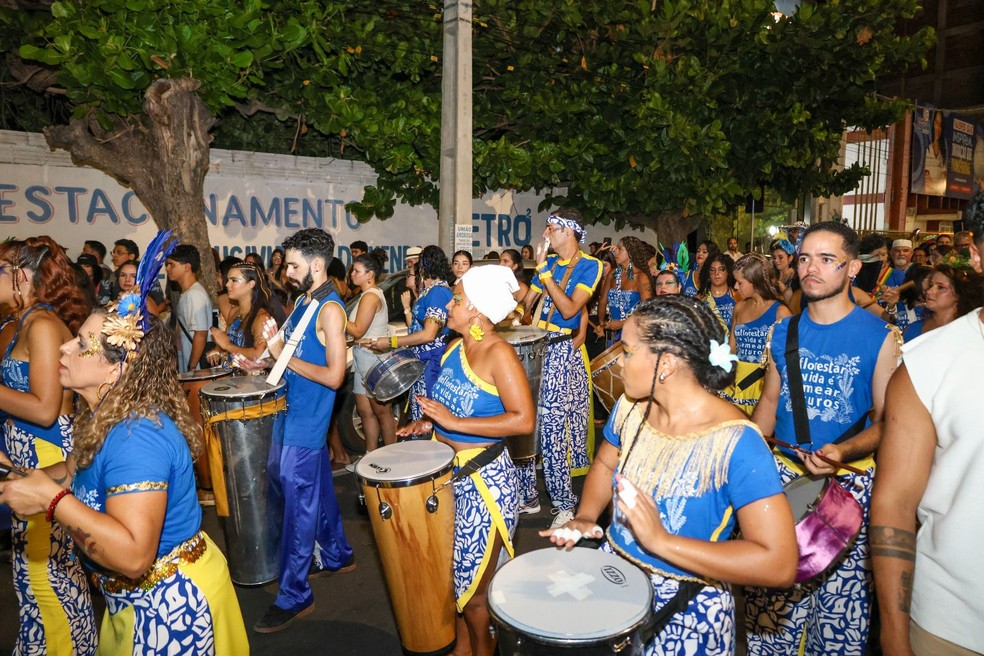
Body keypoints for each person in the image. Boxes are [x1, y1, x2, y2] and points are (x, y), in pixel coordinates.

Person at [0, 233, 249, 653]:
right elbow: (78, 467)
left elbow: (134, 555)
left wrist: (52, 500)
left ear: (117, 369)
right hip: (131, 603)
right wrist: (29, 476)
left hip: (171, 610)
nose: (64, 346)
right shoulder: (102, 415)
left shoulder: (136, 436)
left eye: (81, 343)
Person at [542, 296, 797, 654]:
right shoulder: (630, 408)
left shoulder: (736, 441)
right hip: (615, 584)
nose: (619, 361)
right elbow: (604, 464)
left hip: (686, 611)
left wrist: (661, 542)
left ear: (667, 364)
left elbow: (779, 562)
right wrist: (585, 516)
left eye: (628, 352)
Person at [744, 221, 901, 656]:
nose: (812, 268)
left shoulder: (880, 338)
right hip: (783, 482)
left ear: (851, 269)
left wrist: (844, 450)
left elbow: (888, 423)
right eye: (805, 257)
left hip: (847, 487)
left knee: (839, 626)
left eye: (827, 259)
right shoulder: (784, 331)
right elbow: (769, 405)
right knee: (769, 616)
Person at [398, 265, 534, 656]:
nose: (450, 305)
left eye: (456, 299)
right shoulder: (458, 347)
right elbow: (449, 407)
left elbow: (523, 420)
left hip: (485, 483)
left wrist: (454, 422)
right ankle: (462, 649)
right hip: (451, 477)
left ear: (475, 308)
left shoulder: (499, 353)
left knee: (475, 593)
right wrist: (426, 423)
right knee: (457, 580)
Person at [870, 195, 984, 656]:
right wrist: (895, 634)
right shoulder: (926, 365)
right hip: (950, 624)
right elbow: (895, 504)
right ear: (977, 252)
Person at [251, 228, 355, 633]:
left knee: (297, 509)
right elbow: (286, 352)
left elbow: (333, 376)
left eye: (293, 265)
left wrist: (282, 357)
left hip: (307, 422)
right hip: (288, 413)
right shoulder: (303, 302)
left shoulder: (330, 309)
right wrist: (262, 363)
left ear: (316, 264)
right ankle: (337, 553)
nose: (287, 271)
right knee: (310, 488)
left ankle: (294, 593)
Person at [0, 236, 97, 654]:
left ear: (21, 276)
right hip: (25, 453)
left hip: (48, 454)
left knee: (47, 577)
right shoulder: (17, 322)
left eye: (1, 269)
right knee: (36, 576)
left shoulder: (41, 324)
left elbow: (43, 408)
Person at [520, 209, 603, 527]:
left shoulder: (590, 265)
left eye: (552, 229)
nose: (546, 234)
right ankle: (527, 496)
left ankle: (564, 505)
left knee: (553, 428)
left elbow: (570, 308)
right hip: (534, 347)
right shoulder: (550, 264)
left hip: (558, 350)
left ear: (570, 232)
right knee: (525, 422)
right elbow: (529, 303)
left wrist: (544, 273)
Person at [371, 246, 454, 422]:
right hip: (423, 360)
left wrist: (392, 342)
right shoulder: (430, 291)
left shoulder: (438, 292)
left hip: (432, 362)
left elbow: (428, 334)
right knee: (419, 413)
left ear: (424, 268)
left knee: (428, 414)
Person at [722, 253, 790, 415]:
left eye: (740, 283)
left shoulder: (781, 312)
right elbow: (732, 348)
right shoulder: (739, 307)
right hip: (736, 383)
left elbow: (786, 361)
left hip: (764, 384)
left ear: (755, 281)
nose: (736, 287)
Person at [346, 250, 396, 456]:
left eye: (357, 271)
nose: (352, 274)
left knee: (382, 412)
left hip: (373, 359)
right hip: (361, 356)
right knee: (365, 411)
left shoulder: (371, 297)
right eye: (352, 270)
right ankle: (370, 456)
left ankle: (392, 457)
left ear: (370, 274)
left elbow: (357, 329)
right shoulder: (365, 295)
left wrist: (336, 314)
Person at [208, 261, 283, 365]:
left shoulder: (261, 318)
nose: (227, 284)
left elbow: (259, 355)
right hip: (232, 374)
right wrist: (217, 350)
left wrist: (227, 346)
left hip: (249, 379)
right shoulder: (234, 312)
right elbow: (226, 340)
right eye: (228, 280)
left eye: (234, 280)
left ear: (251, 284)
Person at [596, 236, 653, 346]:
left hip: (634, 334)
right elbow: (603, 301)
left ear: (631, 254)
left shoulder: (641, 277)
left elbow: (648, 311)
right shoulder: (613, 274)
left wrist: (623, 324)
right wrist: (601, 324)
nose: (615, 251)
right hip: (612, 333)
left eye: (620, 249)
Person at [902, 264, 983, 341]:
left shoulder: (971, 332)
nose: (929, 291)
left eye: (940, 287)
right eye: (930, 285)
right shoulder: (912, 329)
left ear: (959, 293)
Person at [165, 245, 213, 373]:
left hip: (196, 369)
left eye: (172, 265)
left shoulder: (194, 295)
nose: (167, 269)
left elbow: (201, 334)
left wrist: (191, 368)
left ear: (187, 267)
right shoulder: (188, 293)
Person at [698, 252, 738, 330]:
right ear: (708, 274)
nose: (716, 273)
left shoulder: (738, 297)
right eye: (712, 270)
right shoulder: (699, 299)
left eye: (721, 269)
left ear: (728, 272)